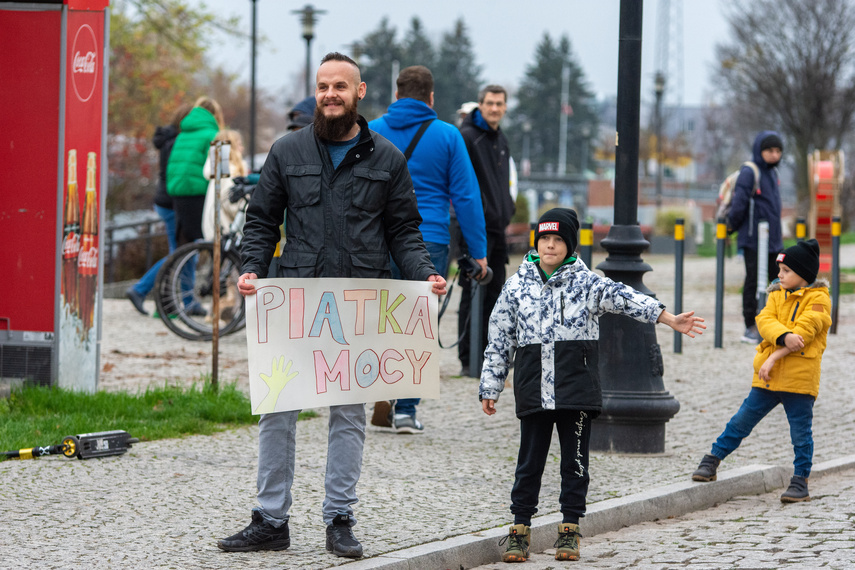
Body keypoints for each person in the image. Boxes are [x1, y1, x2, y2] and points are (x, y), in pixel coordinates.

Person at [218, 52, 447, 558]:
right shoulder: (286, 151)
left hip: (357, 303)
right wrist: (251, 267)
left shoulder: (387, 158)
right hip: (294, 299)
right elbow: (260, 222)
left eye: (340, 86)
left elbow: (404, 231)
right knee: (277, 410)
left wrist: (425, 274)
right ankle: (270, 520)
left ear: (359, 93)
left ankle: (339, 518)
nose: (330, 94)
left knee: (348, 414)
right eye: (323, 86)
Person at [480, 208, 705, 563]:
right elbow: (499, 340)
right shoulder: (515, 286)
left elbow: (626, 297)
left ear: (570, 246)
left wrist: (667, 317)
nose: (550, 246)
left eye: (557, 240)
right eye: (544, 239)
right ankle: (519, 530)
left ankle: (569, 529)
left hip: (577, 390)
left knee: (576, 463)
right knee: (529, 463)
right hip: (533, 388)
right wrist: (490, 386)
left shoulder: (587, 284)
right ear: (536, 243)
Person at [368, 65, 488, 434]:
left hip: (378, 236)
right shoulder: (448, 135)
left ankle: (379, 386)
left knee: (379, 317)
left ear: (397, 94)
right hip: (429, 237)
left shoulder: (372, 131)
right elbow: (466, 196)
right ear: (431, 97)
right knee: (417, 323)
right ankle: (405, 410)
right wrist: (479, 252)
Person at [692, 239, 831, 503]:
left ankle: (800, 481)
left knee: (801, 435)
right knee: (740, 422)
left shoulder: (819, 300)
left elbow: (804, 333)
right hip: (767, 379)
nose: (779, 275)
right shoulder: (776, 294)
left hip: (799, 382)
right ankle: (711, 461)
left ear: (803, 274)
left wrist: (775, 355)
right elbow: (764, 321)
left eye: (786, 271)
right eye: (780, 270)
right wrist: (783, 338)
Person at [458, 84, 516, 377]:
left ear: (505, 107)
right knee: (472, 292)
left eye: (499, 103)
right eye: (490, 103)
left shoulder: (500, 139)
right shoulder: (469, 137)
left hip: (498, 227)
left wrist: (508, 209)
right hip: (475, 227)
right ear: (480, 105)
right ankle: (469, 358)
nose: (494, 108)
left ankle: (489, 355)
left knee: (496, 293)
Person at [125, 103, 192, 315]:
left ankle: (188, 301)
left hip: (165, 200)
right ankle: (140, 289)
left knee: (185, 251)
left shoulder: (168, 140)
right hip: (172, 202)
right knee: (180, 252)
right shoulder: (175, 142)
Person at [730, 131, 784, 343]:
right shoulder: (749, 172)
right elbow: (739, 204)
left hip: (773, 240)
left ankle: (771, 323)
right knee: (753, 280)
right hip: (754, 239)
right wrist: (732, 226)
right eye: (770, 150)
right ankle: (750, 326)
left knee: (777, 281)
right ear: (760, 151)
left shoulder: (773, 174)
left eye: (778, 151)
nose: (774, 155)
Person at [201, 129, 249, 241]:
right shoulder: (229, 172)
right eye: (239, 144)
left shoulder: (219, 170)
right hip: (226, 230)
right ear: (232, 148)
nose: (242, 148)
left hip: (214, 228)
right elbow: (230, 203)